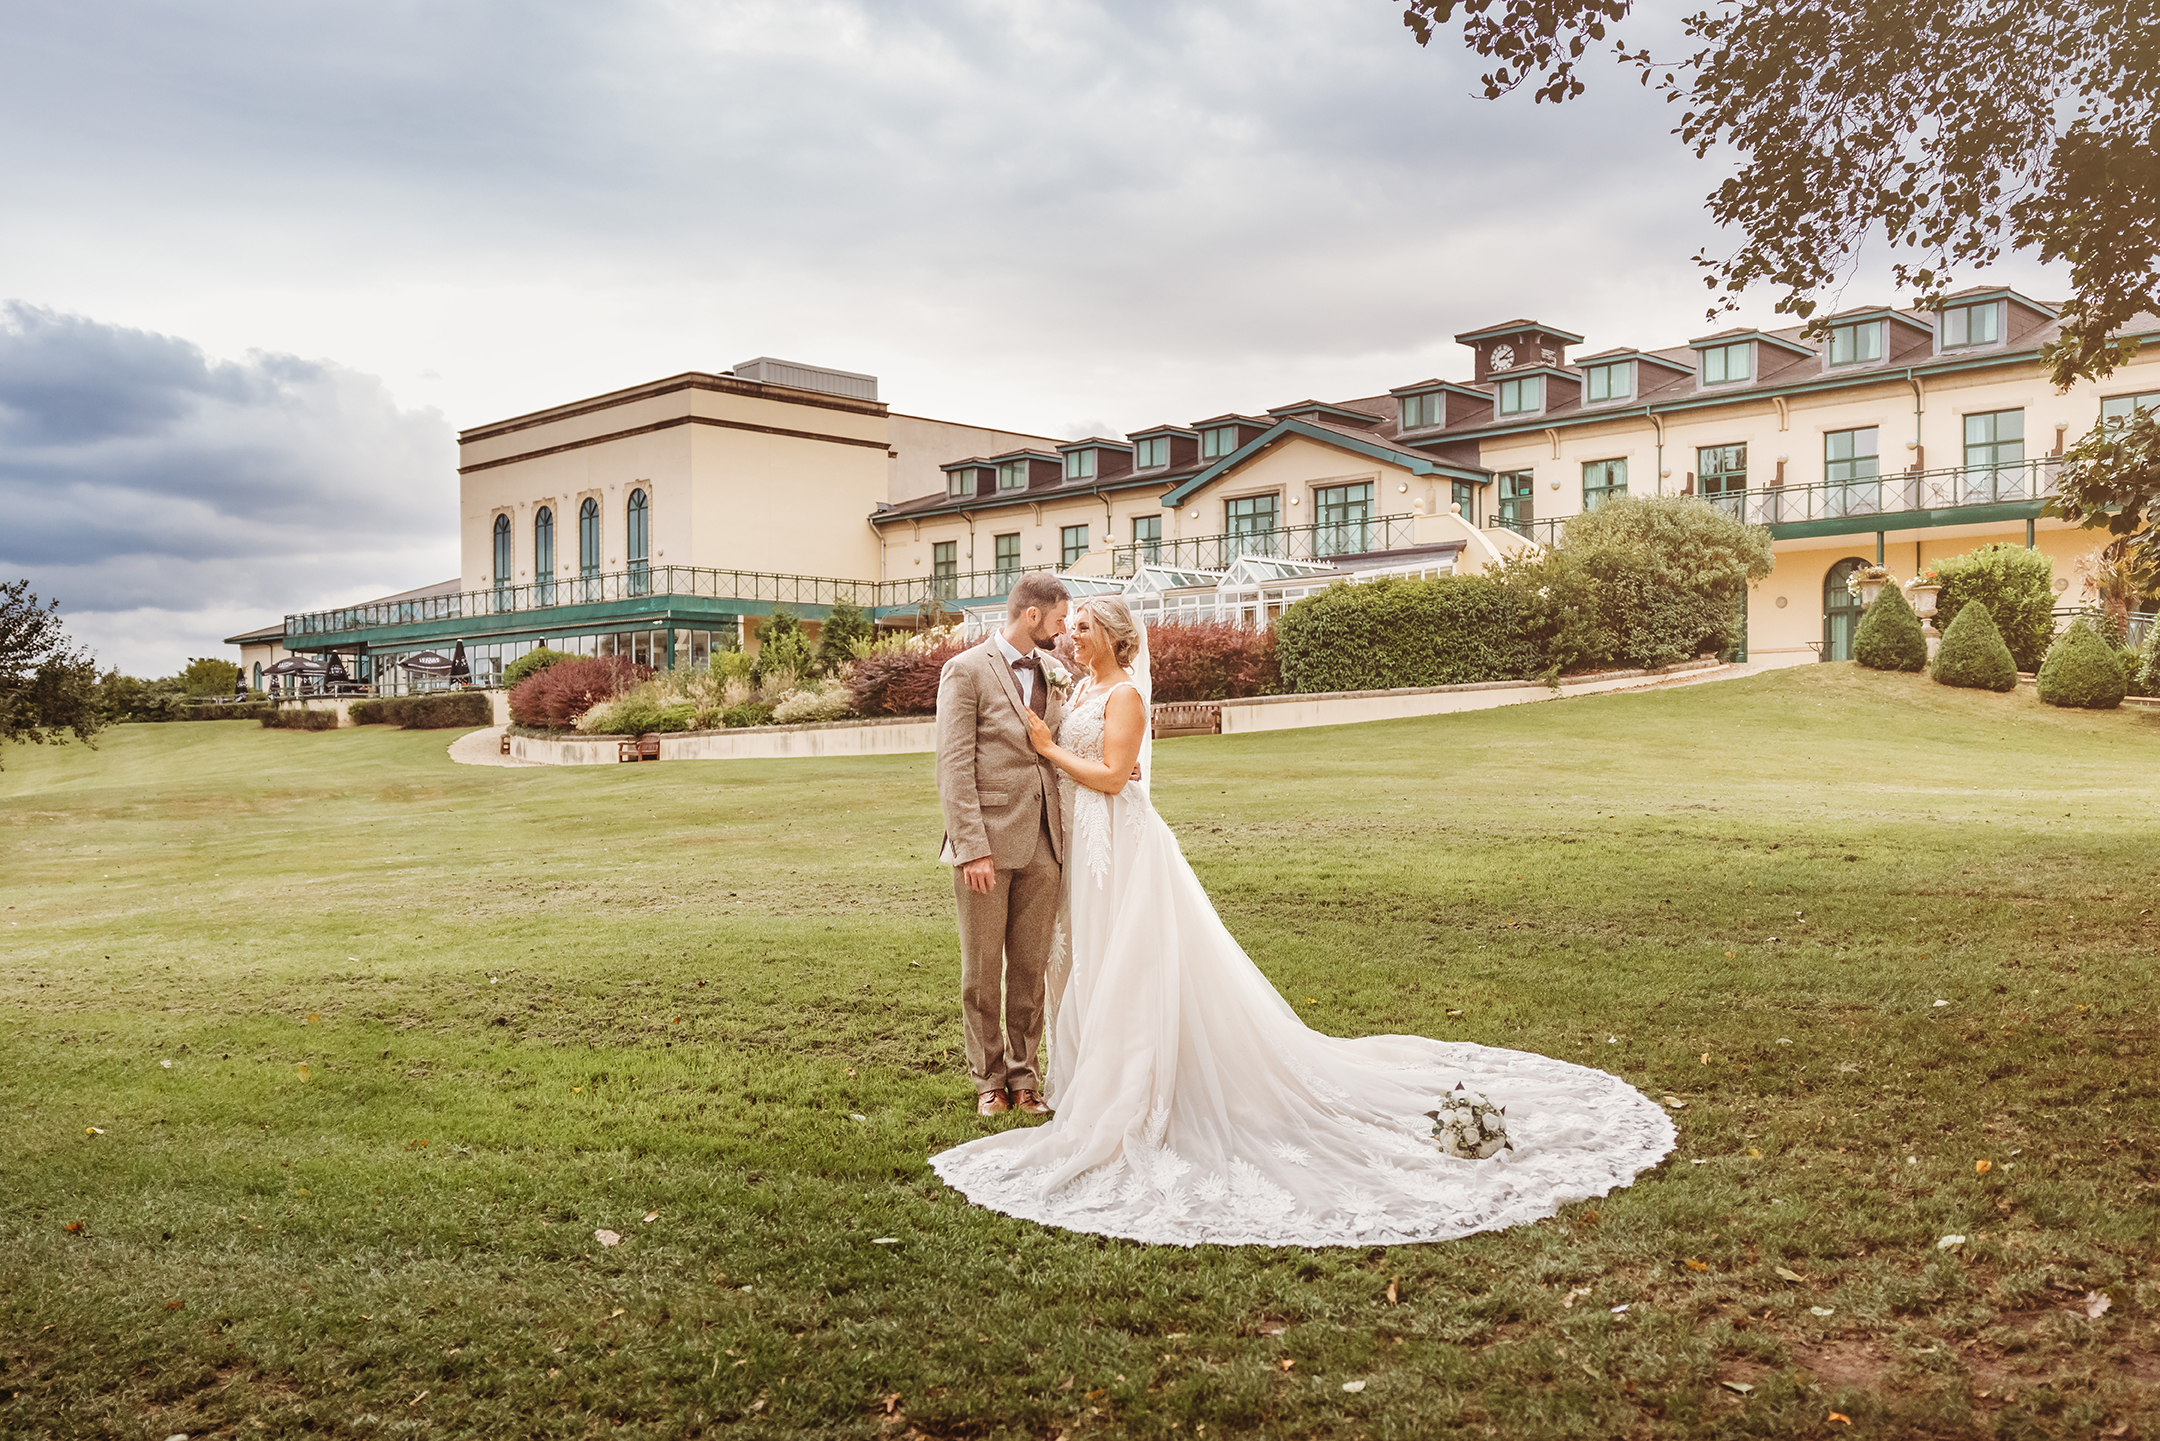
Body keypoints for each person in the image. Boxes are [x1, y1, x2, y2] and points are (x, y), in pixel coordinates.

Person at [929, 596, 1676, 1247]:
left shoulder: (1123, 695)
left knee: (1134, 961)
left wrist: (1052, 748)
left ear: (1114, 637)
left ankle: (1137, 1090)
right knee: (1088, 960)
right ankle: (1086, 1076)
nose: (1070, 634)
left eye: (1083, 626)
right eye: (1071, 625)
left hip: (1123, 845)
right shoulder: (1080, 684)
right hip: (1085, 851)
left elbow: (1117, 776)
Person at [934, 572, 1072, 1119]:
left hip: (1045, 842)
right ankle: (988, 1079)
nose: (1064, 632)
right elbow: (953, 765)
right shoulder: (964, 671)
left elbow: (1060, 745)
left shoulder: (1054, 672)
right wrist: (971, 847)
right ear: (1032, 615)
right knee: (982, 969)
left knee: (1031, 968)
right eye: (1060, 620)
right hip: (986, 844)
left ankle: (1024, 1077)